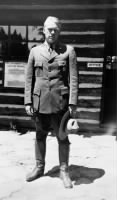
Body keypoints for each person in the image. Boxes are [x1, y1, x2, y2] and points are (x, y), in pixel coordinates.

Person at [25, 16, 78, 188]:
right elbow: (28, 79)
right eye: (49, 29)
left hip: (60, 104)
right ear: (44, 30)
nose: (52, 32)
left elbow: (74, 79)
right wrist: (27, 102)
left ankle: (64, 171)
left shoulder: (68, 51)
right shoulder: (35, 51)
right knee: (40, 136)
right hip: (39, 103)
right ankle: (39, 167)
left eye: (55, 29)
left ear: (59, 31)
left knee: (62, 138)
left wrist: (72, 103)